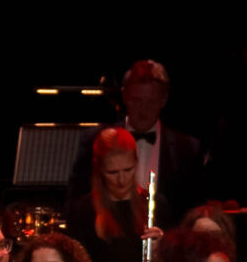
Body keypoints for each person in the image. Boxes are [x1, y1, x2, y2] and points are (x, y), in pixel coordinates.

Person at [77, 60, 204, 214]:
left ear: (163, 99)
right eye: (137, 100)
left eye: (151, 101)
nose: (144, 110)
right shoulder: (93, 140)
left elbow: (194, 209)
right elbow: (76, 203)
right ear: (124, 96)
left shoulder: (187, 148)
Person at [67, 124, 158, 262]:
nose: (121, 180)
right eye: (112, 172)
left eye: (128, 170)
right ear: (100, 170)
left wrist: (162, 250)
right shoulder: (82, 210)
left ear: (136, 163)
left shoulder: (155, 204)